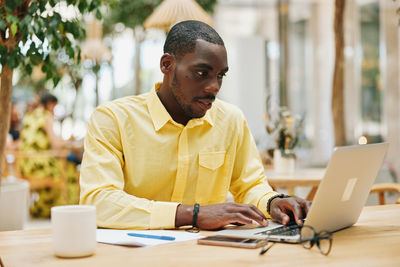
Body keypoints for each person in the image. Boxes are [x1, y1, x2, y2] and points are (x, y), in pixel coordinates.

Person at [80, 20, 310, 230]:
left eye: (220, 75)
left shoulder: (231, 120)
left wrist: (273, 202)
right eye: (201, 73)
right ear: (167, 65)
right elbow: (98, 200)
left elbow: (250, 185)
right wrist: (193, 214)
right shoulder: (112, 119)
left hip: (208, 253)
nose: (214, 87)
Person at [19, 93, 80, 217]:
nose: (54, 110)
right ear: (50, 104)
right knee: (70, 168)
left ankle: (47, 208)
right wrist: (69, 140)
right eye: (54, 106)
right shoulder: (46, 116)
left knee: (67, 163)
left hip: (25, 163)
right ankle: (67, 209)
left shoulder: (29, 116)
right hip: (40, 164)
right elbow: (55, 144)